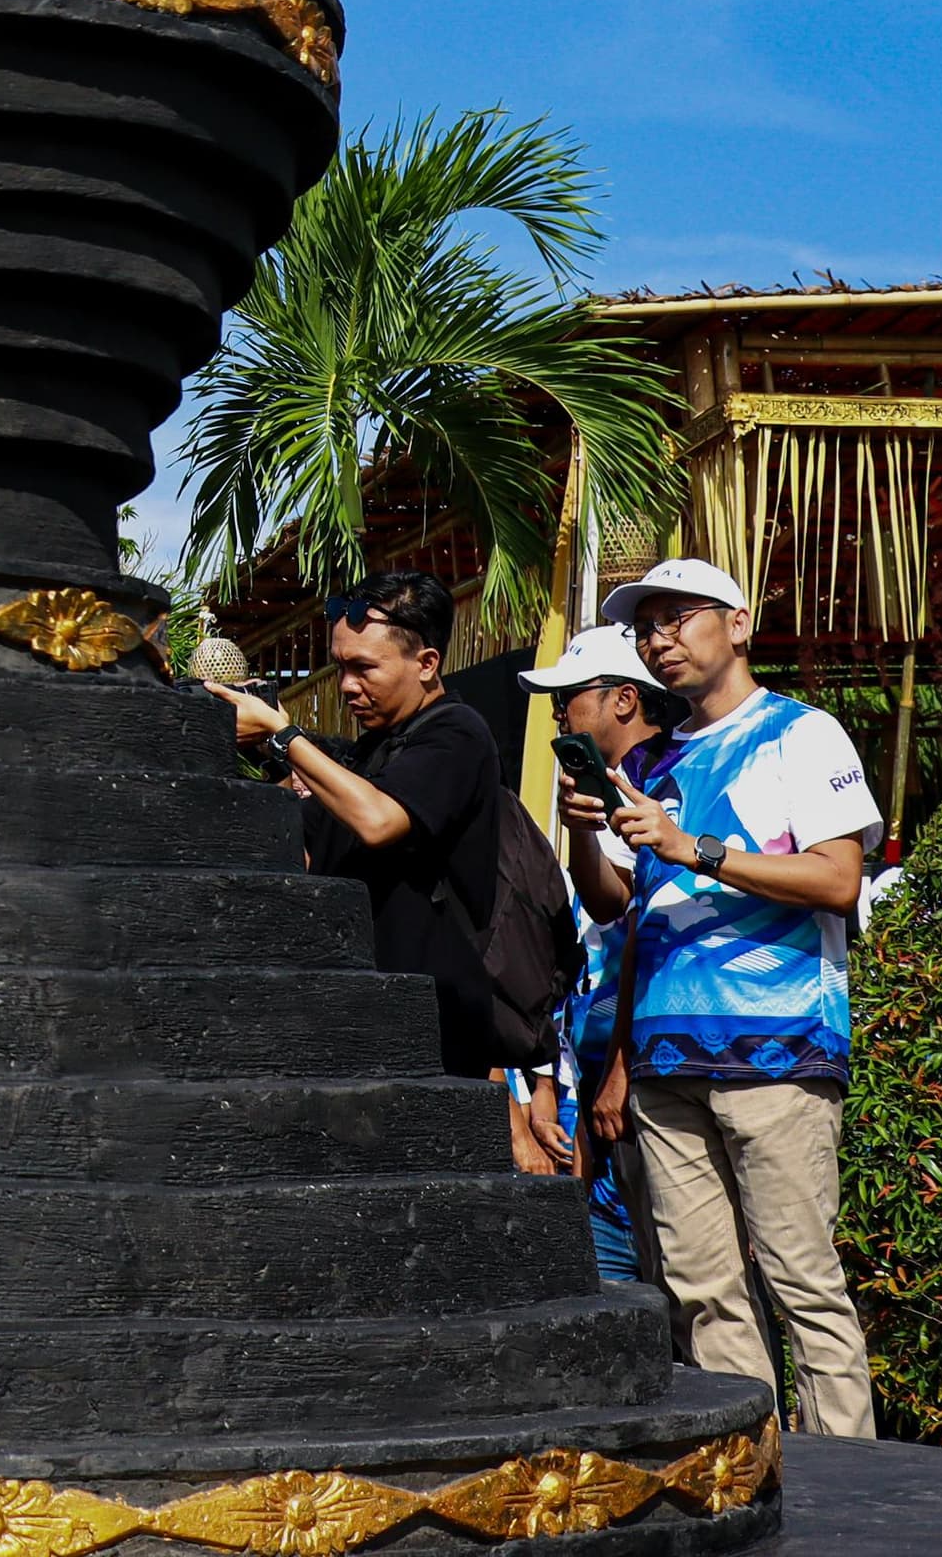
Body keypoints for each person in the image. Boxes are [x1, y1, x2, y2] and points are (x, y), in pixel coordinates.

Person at [565, 555, 880, 1439]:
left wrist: (691, 844)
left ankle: (854, 1495)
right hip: (667, 1060)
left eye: (679, 617)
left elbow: (837, 880)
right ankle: (755, 1478)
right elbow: (614, 904)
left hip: (779, 1049)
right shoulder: (655, 758)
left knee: (802, 1284)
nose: (660, 639)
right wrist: (587, 835)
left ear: (738, 624)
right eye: (645, 627)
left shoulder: (801, 733)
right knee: (703, 1295)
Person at [220, 571, 517, 1087]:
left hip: (434, 1023)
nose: (347, 687)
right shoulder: (367, 753)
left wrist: (280, 732)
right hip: (362, 1016)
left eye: (364, 668)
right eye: (339, 667)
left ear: (426, 664)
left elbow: (380, 821)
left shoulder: (456, 733)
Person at [528, 624, 685, 1283]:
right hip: (607, 1068)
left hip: (657, 1057)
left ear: (625, 699)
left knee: (684, 1267)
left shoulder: (668, 779)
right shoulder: (608, 786)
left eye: (571, 696)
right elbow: (609, 906)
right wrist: (582, 836)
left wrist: (620, 1067)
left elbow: (648, 938)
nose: (560, 713)